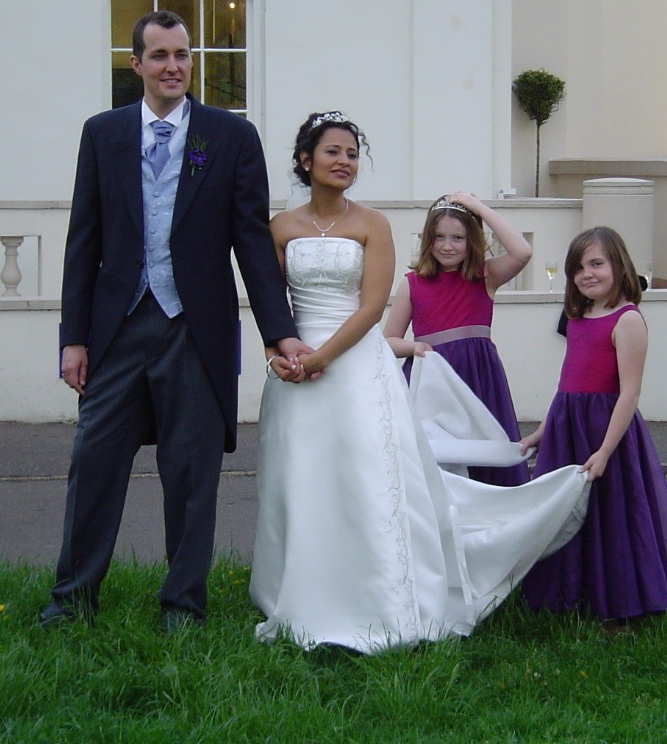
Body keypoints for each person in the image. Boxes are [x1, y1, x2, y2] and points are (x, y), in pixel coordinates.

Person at [249, 112, 592, 654]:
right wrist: (279, 354)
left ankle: (378, 594)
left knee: (366, 480)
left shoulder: (373, 225)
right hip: (294, 367)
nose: (344, 162)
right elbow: (271, 303)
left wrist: (323, 359)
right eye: (333, 151)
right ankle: (298, 590)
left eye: (352, 154)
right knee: (302, 479)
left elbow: (370, 310)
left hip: (354, 366)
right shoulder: (280, 228)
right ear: (305, 160)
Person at [39, 10, 308, 631]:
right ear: (136, 64)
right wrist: (73, 337)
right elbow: (84, 239)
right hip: (118, 328)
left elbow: (249, 240)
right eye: (159, 56)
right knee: (94, 464)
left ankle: (183, 605)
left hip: (195, 330)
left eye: (183, 55)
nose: (174, 67)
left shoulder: (230, 136)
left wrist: (279, 329)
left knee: (192, 475)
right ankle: (71, 600)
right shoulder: (102, 134)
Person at [519, 227, 667, 630]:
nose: (587, 274)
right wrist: (545, 430)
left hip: (608, 434)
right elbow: (566, 384)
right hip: (569, 427)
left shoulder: (628, 321)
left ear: (619, 266)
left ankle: (619, 604)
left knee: (612, 516)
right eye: (578, 268)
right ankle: (568, 593)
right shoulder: (577, 317)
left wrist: (605, 451)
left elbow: (629, 393)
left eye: (596, 264)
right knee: (566, 514)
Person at [383, 192, 531, 486]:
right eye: (438, 237)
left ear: (472, 240)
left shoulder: (485, 276)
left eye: (458, 238)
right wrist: (414, 347)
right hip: (433, 387)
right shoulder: (412, 284)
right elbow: (387, 341)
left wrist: (479, 208)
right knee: (437, 460)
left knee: (485, 453)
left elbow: (522, 252)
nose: (447, 246)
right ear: (428, 239)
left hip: (478, 380)